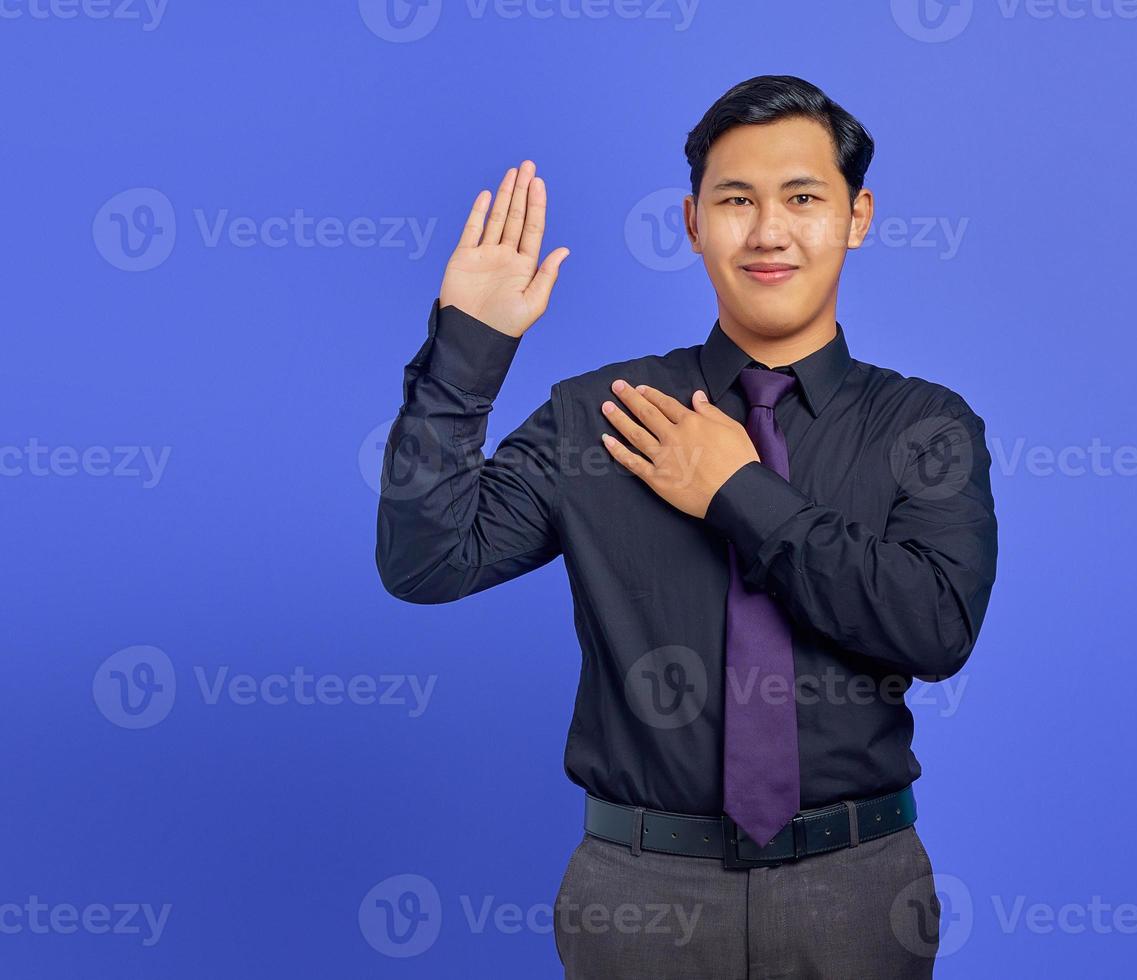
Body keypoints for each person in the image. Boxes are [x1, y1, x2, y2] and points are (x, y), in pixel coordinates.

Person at [375, 73, 998, 979]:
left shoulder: (924, 426)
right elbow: (425, 562)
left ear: (857, 216)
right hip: (638, 894)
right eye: (736, 200)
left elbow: (935, 627)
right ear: (693, 222)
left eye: (803, 198)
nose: (769, 230)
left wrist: (738, 488)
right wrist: (467, 351)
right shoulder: (602, 413)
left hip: (857, 890)